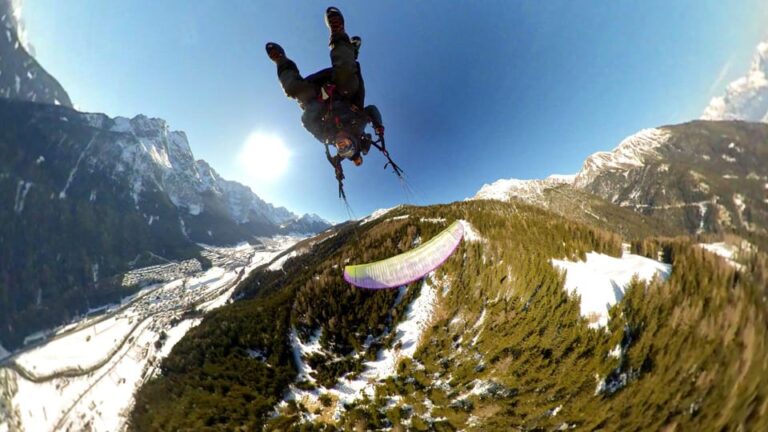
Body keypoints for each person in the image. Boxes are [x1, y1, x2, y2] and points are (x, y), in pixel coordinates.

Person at [265, 7, 384, 183]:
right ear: (352, 142)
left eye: (339, 148)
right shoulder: (357, 126)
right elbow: (372, 110)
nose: (340, 144)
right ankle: (339, 34)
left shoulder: (325, 136)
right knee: (346, 72)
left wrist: (320, 101)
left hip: (317, 94)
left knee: (293, 90)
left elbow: (306, 120)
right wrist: (378, 126)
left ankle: (281, 60)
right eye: (346, 146)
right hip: (343, 90)